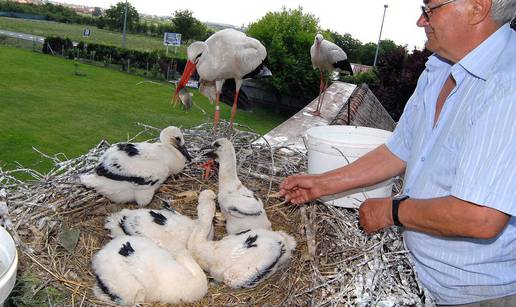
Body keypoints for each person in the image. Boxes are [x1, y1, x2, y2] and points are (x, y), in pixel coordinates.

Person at [280, 0, 516, 305]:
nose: (421, 21)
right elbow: (399, 150)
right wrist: (322, 183)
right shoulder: (439, 69)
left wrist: (391, 211)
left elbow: (481, 216)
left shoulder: (507, 87)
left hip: (473, 295)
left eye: (430, 9)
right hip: (420, 276)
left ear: (477, 7)